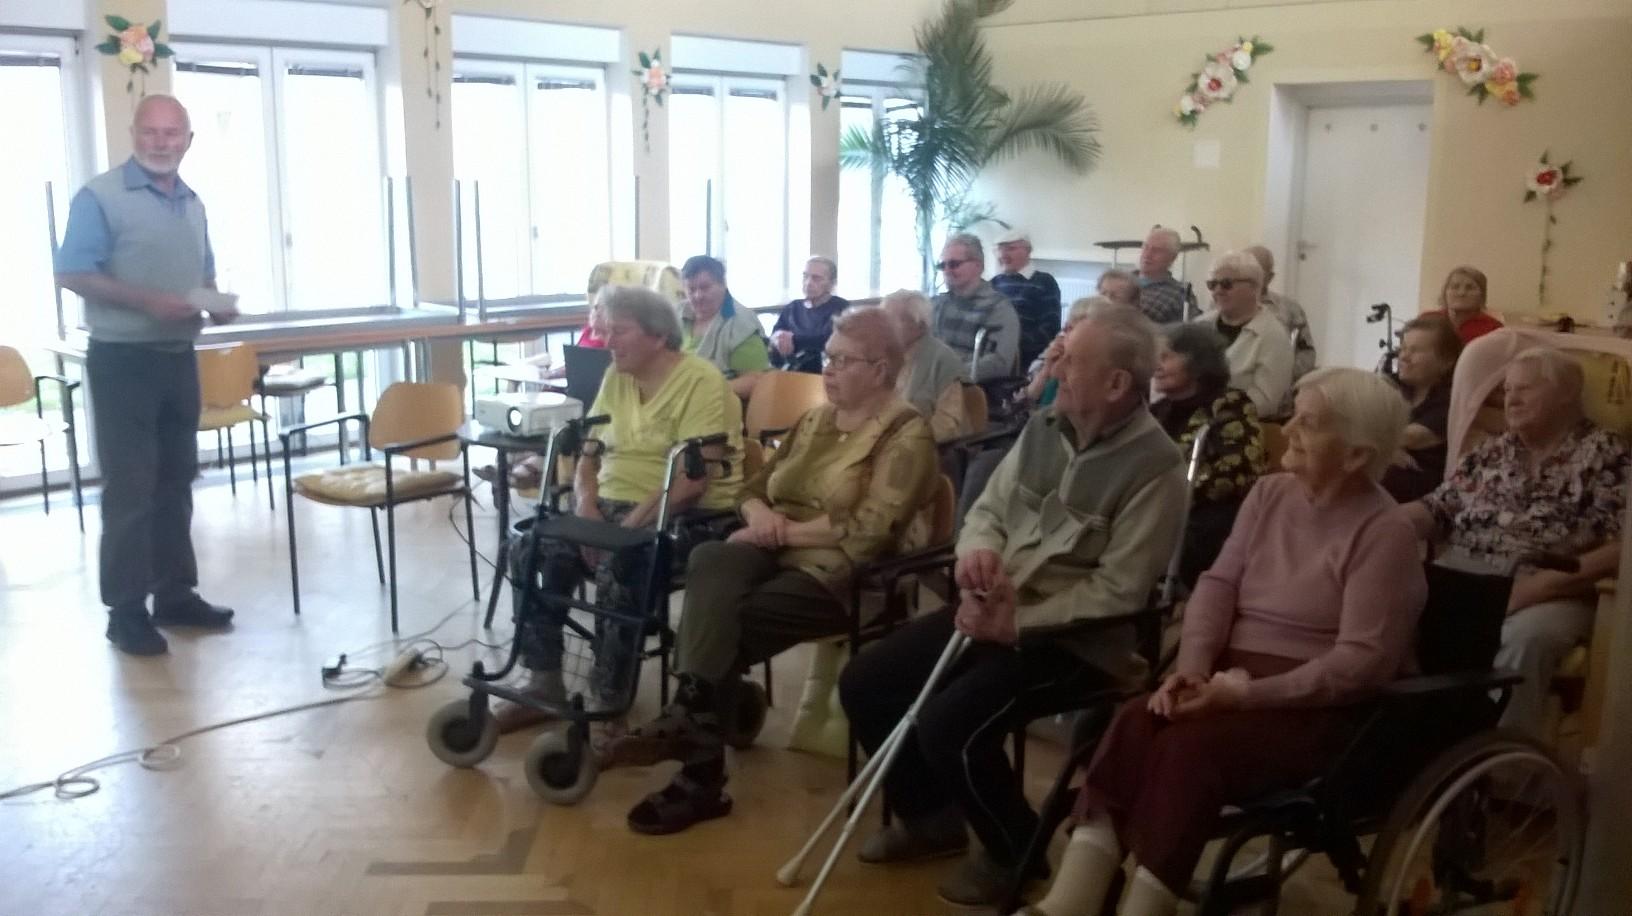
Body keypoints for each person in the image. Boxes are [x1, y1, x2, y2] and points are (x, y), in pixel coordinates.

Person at [1023, 367, 1426, 916]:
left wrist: (1246, 695)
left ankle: (1148, 906)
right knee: (1138, 721)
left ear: (1356, 455)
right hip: (1229, 678)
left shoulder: (1385, 532)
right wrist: (1191, 667)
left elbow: (1361, 663)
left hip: (1318, 710)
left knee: (1189, 750)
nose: (1289, 429)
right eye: (1295, 415)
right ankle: (1073, 899)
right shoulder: (1269, 494)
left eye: (1310, 423)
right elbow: (1218, 585)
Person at [839, 305, 1188, 909]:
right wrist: (976, 554)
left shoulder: (1156, 467)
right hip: (998, 608)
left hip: (1080, 641)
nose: (1055, 366)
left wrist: (1018, 624)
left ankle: (1014, 850)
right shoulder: (1046, 426)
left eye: (1071, 360)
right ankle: (931, 817)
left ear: (1115, 384)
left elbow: (1120, 590)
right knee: (868, 680)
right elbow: (989, 511)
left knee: (951, 723)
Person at [603, 306, 939, 834]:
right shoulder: (816, 421)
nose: (827, 369)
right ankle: (698, 718)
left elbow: (872, 530)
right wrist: (759, 517)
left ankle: (699, 765)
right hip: (775, 550)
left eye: (843, 360)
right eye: (827, 357)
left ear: (880, 369)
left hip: (850, 574)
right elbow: (752, 488)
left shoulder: (907, 433)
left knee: (724, 622)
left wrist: (778, 532)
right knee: (710, 558)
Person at [495, 286, 744, 732]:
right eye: (605, 330)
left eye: (620, 331)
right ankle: (543, 681)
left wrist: (624, 530)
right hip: (611, 508)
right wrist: (586, 505)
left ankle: (609, 700)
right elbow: (589, 451)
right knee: (530, 548)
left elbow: (692, 482)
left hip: (687, 516)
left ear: (658, 335)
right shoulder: (617, 376)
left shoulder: (702, 382)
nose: (607, 341)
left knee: (624, 561)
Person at [53, 95, 240, 657]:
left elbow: (203, 273)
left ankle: (175, 595)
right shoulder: (100, 197)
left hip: (177, 358)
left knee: (176, 481)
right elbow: (72, 272)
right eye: (151, 132)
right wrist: (148, 302)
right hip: (122, 361)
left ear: (188, 140)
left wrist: (215, 304)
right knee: (131, 490)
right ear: (133, 133)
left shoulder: (193, 202)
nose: (161, 142)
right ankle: (126, 612)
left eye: (172, 133)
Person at [1399, 348, 1629, 741]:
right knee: (1393, 612)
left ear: (1566, 393)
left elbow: (1620, 547)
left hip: (1552, 587)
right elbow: (1436, 508)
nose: (1511, 399)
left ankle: (1500, 762)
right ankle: (1415, 741)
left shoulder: (1606, 454)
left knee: (1524, 640)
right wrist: (1376, 524)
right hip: (1464, 573)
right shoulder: (1493, 450)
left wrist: (1535, 588)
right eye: (1507, 390)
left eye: (1525, 389)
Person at [1150, 323, 1267, 587]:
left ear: (1198, 362)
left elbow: (1237, 470)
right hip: (1157, 510)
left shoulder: (1231, 404)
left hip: (1204, 513)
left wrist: (1165, 498)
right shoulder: (1157, 411)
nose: (1156, 365)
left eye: (1166, 357)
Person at [1193, 250, 1295, 419]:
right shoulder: (1198, 326)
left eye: (1226, 284)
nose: (1217, 290)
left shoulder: (1273, 336)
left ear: (1254, 286)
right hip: (1191, 416)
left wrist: (1213, 412)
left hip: (1238, 423)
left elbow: (1266, 401)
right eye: (1212, 284)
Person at [1381, 313, 1461, 502]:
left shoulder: (1450, 399)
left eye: (1415, 351)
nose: (1404, 357)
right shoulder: (1391, 385)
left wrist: (1379, 452)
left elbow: (1411, 437)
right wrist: (1388, 453)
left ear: (1446, 361)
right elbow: (1351, 417)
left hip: (1421, 495)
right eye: (1403, 349)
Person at [882, 289, 969, 442]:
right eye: (883, 319)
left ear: (920, 325)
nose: (885, 327)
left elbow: (947, 426)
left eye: (894, 320)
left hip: (921, 447)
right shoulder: (881, 355)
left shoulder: (943, 361)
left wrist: (902, 444)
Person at [930, 233, 1020, 382]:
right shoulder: (936, 304)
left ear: (978, 266)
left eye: (954, 264)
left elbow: (1000, 363)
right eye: (942, 265)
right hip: (933, 383)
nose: (946, 270)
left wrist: (948, 374)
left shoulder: (999, 308)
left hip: (970, 389)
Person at [678, 255, 770, 399]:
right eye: (691, 289)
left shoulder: (741, 323)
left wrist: (705, 391)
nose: (698, 296)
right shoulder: (675, 314)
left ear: (723, 284)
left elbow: (755, 380)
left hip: (718, 403)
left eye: (705, 288)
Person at [1244, 244, 1316, 408]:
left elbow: (1306, 352)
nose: (1248, 277)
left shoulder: (1290, 309)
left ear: (1269, 277)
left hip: (1279, 396)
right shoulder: (1221, 307)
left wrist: (1283, 376)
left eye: (1255, 271)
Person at [990, 229, 1062, 371]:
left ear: (1028, 251)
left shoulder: (1044, 282)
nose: (1003, 255)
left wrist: (1010, 345)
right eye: (1000, 250)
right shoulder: (994, 282)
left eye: (1010, 249)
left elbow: (1049, 329)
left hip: (1024, 361)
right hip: (991, 355)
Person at [770, 256, 850, 373]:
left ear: (832, 283)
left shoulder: (841, 308)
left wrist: (794, 340)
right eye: (805, 276)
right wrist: (777, 337)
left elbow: (829, 341)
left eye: (816, 278)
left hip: (825, 372)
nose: (808, 283)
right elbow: (775, 335)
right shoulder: (793, 308)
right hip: (790, 372)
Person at [1024, 296, 1099, 407]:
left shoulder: (1088, 370)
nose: (1063, 335)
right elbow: (1026, 399)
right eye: (1065, 328)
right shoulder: (1055, 352)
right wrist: (1046, 371)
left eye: (1071, 329)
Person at [1133, 226, 1196, 325]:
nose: (1148, 254)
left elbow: (1190, 331)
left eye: (1157, 250)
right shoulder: (1120, 280)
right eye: (1146, 247)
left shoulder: (1181, 294)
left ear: (1172, 257)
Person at [1427, 265, 1503, 344]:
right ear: (1444, 293)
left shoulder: (1493, 328)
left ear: (1482, 295)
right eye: (1455, 287)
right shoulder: (1428, 320)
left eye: (1470, 288)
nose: (1461, 293)